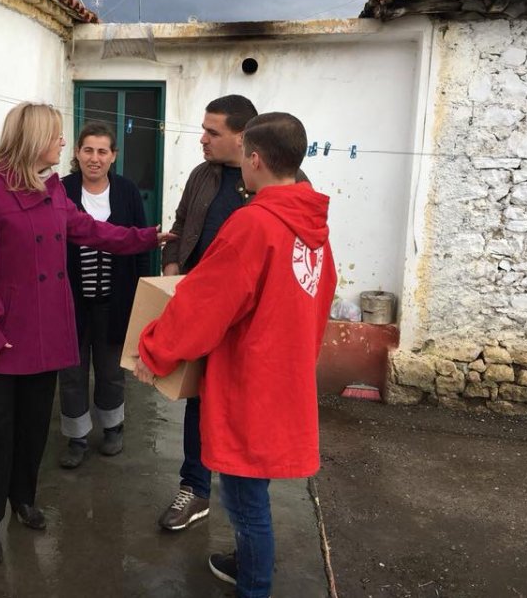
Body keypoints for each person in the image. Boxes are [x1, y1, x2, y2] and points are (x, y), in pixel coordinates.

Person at [0, 102, 172, 567]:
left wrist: (145, 238)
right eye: (56, 137)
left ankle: (23, 501)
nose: (62, 146)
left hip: (44, 334)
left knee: (32, 429)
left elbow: (87, 229)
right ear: (34, 140)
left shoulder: (52, 189)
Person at [134, 112, 336, 598]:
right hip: (284, 375)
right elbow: (322, 294)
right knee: (253, 490)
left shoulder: (255, 224)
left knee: (246, 502)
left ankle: (255, 587)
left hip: (252, 380)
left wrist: (155, 350)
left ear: (256, 159)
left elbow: (204, 305)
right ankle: (245, 562)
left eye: (245, 153)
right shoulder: (313, 227)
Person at [156, 94, 259, 531]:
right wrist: (173, 266)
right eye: (203, 129)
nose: (202, 139)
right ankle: (194, 490)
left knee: (240, 409)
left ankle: (247, 512)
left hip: (246, 321)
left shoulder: (272, 179)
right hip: (200, 310)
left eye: (212, 132)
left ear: (242, 137)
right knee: (197, 399)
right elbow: (181, 224)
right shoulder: (203, 174)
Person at [57, 122, 150, 468]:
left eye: (102, 151)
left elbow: (141, 243)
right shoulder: (61, 191)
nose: (94, 158)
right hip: (70, 302)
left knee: (111, 370)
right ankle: (76, 436)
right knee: (72, 372)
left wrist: (142, 297)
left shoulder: (127, 192)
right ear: (77, 153)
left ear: (113, 156)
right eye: (87, 150)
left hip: (116, 301)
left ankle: (113, 428)